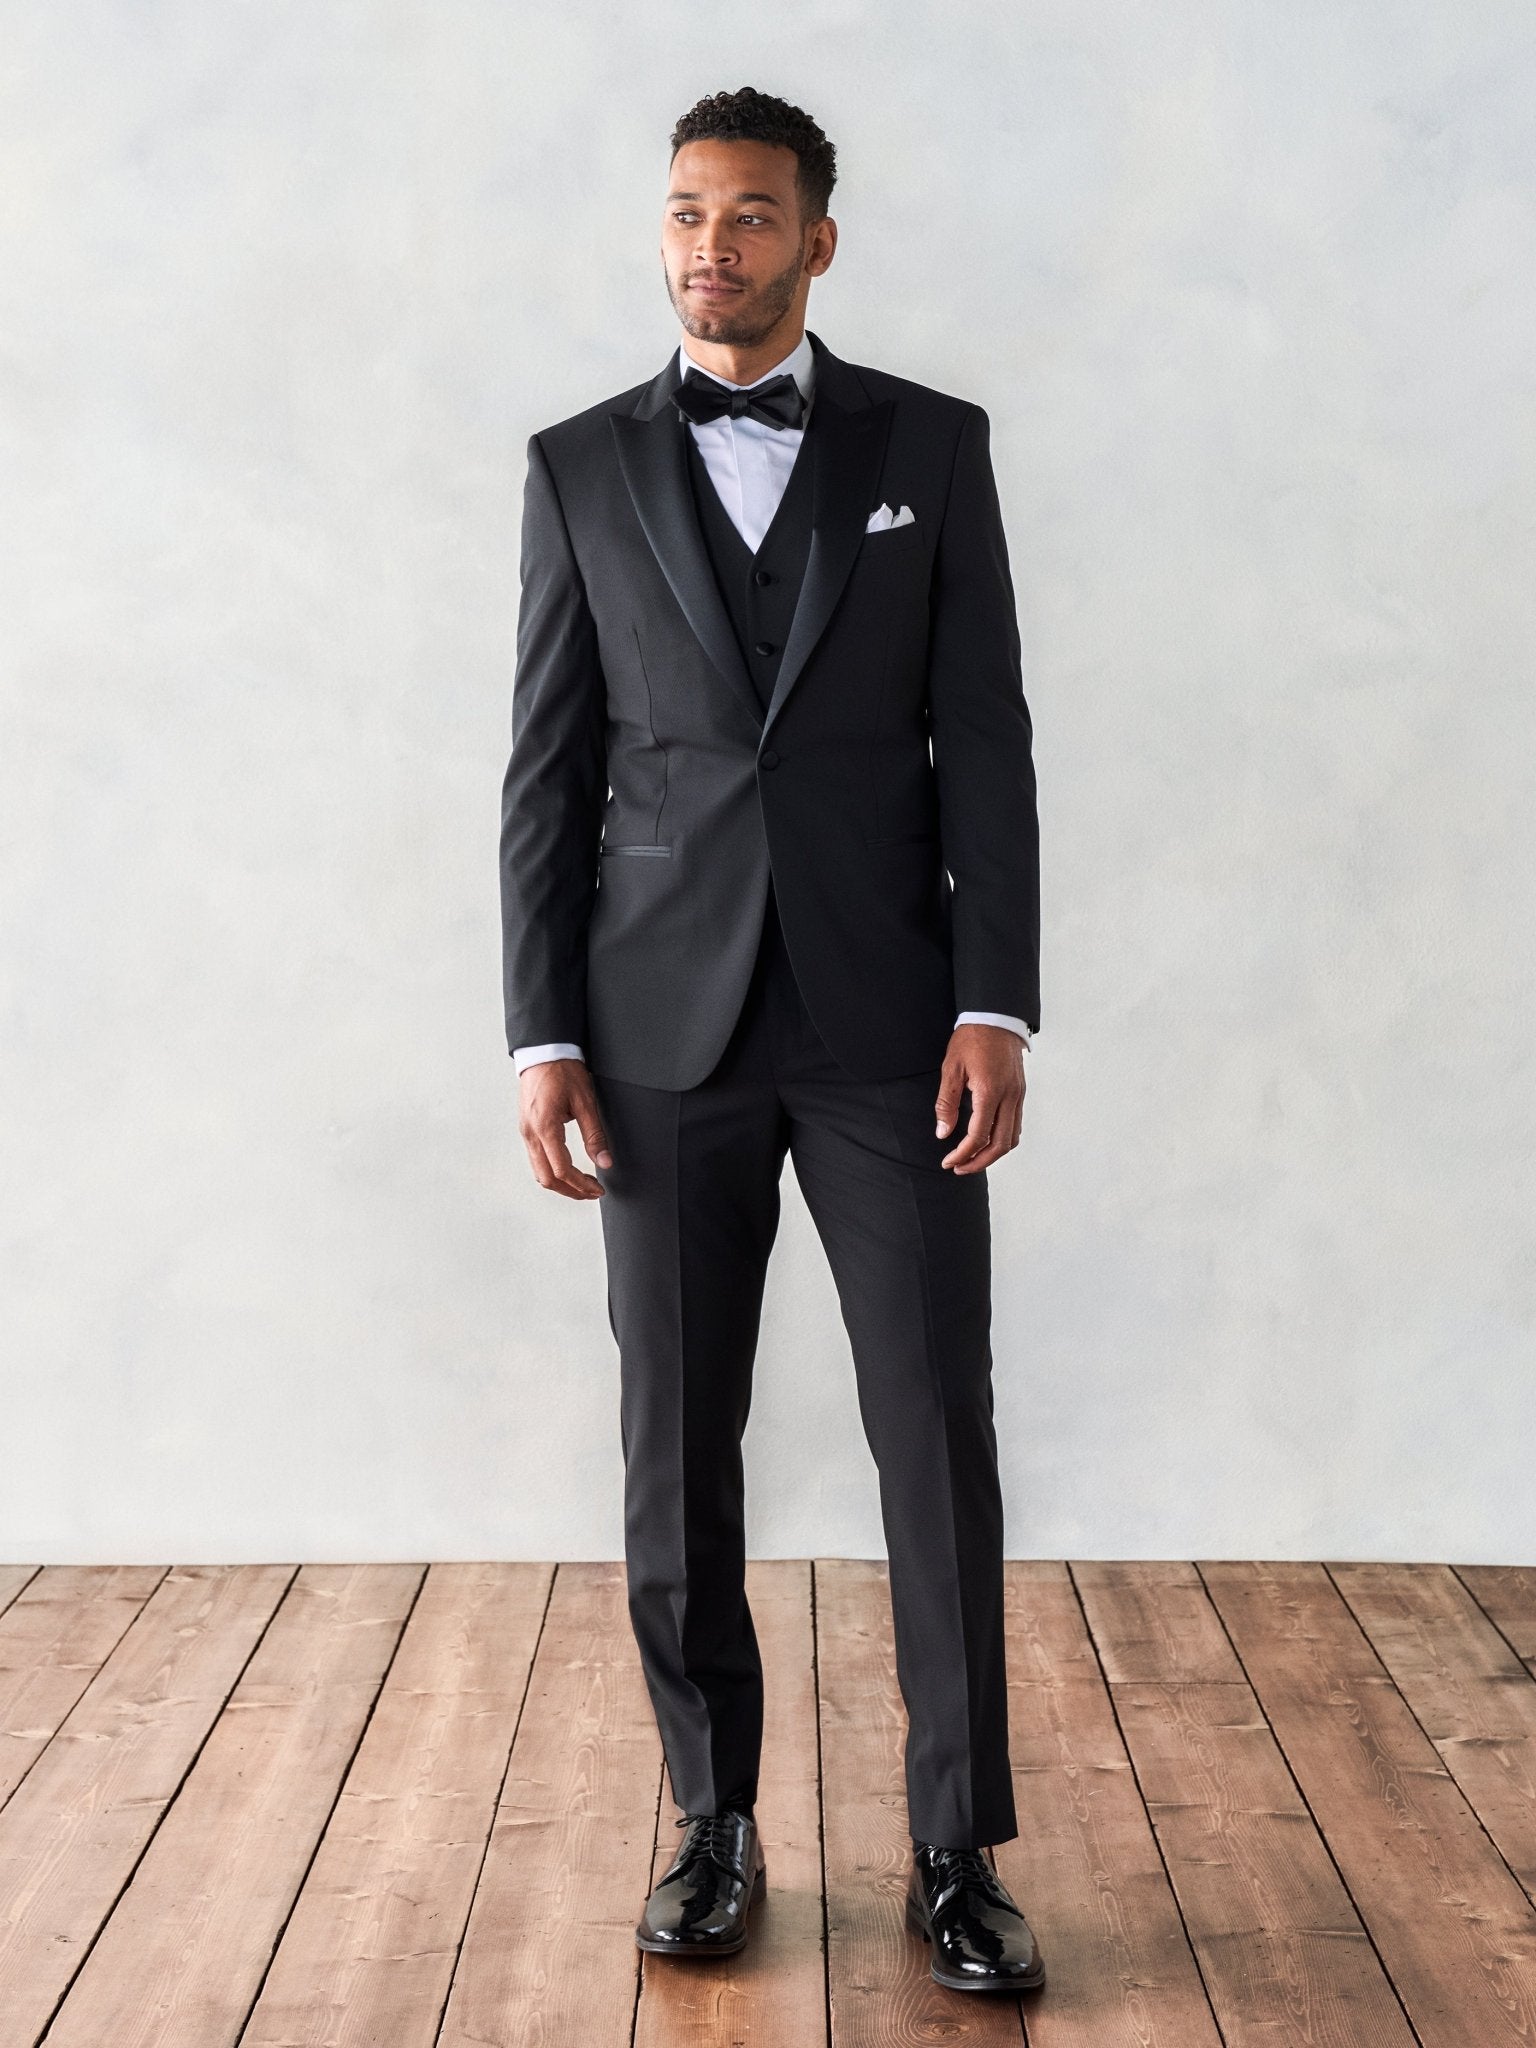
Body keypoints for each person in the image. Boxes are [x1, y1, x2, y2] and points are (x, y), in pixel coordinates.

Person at [499, 85, 1044, 1994]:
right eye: (682, 215)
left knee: (934, 1433)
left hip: (893, 1023)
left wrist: (995, 999)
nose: (708, 247)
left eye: (748, 217)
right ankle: (710, 1818)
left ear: (819, 238)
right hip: (655, 1023)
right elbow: (547, 773)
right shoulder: (579, 465)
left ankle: (957, 1851)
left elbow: (982, 741)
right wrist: (538, 1034)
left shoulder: (934, 449)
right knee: (675, 1438)